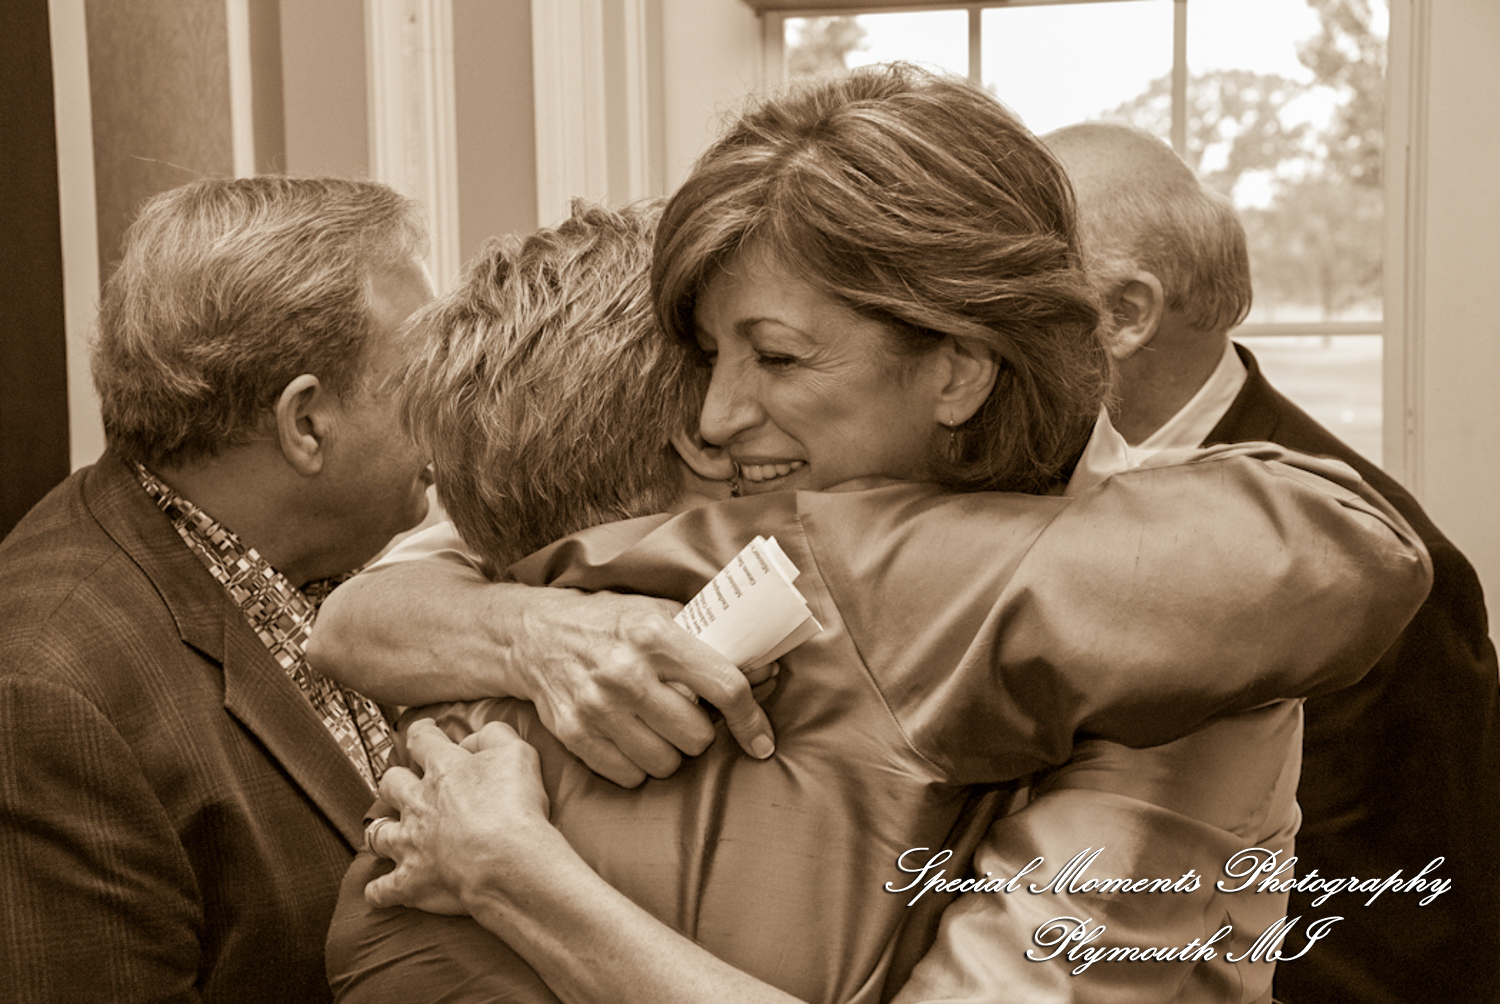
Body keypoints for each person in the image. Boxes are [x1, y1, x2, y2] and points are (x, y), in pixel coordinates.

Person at [324, 69, 1426, 1003]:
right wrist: (540, 631)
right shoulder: (701, 510)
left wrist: (515, 872)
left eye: (780, 356)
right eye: (710, 354)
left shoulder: (1181, 652)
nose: (711, 416)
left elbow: (1352, 554)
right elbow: (360, 614)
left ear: (956, 368)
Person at [1044, 120, 1500, 1004]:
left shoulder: (1386, 568)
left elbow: (1393, 930)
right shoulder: (1028, 485)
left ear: (1127, 315)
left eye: (1020, 287)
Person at [0, 176, 437, 1002]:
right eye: (419, 383)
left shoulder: (305, 562)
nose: (453, 412)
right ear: (305, 423)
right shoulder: (46, 696)